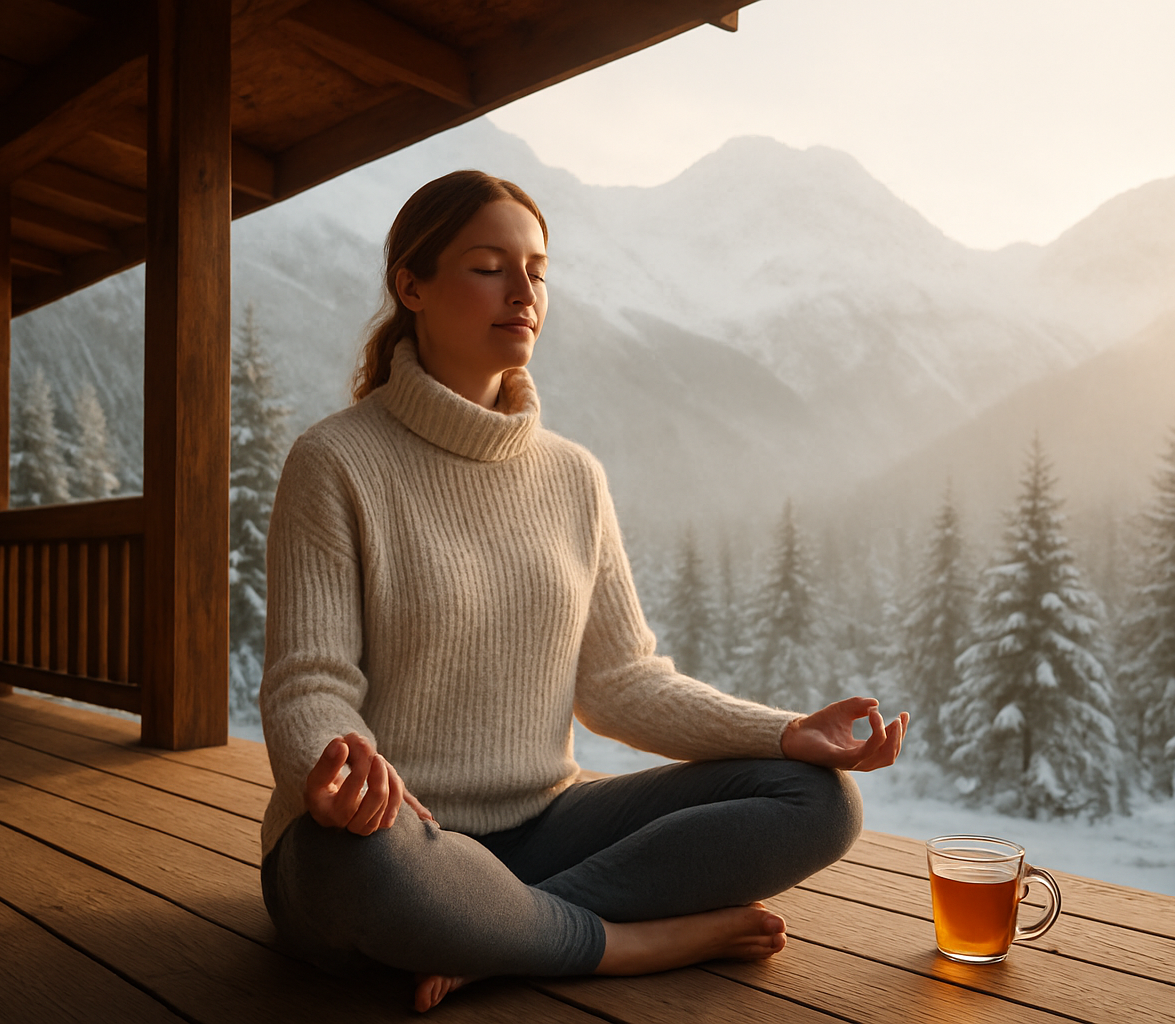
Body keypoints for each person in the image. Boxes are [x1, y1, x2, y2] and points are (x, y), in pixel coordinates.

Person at [258, 169, 910, 1013]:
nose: (524, 291)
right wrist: (339, 775)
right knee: (357, 868)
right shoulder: (335, 461)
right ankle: (623, 943)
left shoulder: (573, 477)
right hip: (392, 843)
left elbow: (620, 683)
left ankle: (502, 935)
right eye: (490, 265)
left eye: (538, 269)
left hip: (540, 836)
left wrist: (785, 733)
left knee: (817, 801)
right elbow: (308, 686)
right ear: (410, 286)